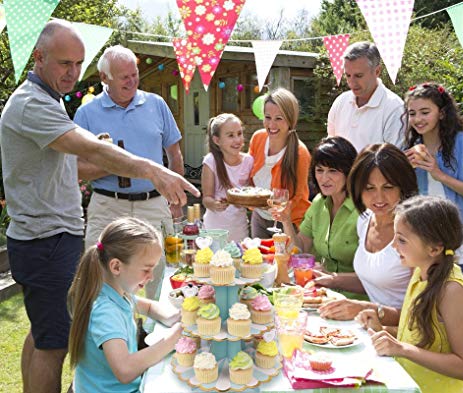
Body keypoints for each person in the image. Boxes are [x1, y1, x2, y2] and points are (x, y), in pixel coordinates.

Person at [0, 20, 198, 393]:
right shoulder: (32, 103)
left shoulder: (49, 98)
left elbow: (75, 163)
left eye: (78, 63)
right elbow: (89, 150)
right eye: (64, 64)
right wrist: (153, 169)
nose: (74, 73)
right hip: (47, 239)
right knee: (54, 344)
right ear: (39, 57)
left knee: (43, 331)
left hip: (44, 236)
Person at [74, 44, 185, 300]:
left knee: (160, 271)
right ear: (105, 78)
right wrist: (113, 163)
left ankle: (151, 332)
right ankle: (107, 332)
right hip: (107, 206)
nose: (132, 80)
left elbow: (174, 154)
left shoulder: (156, 104)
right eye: (124, 76)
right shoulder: (86, 114)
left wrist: (175, 199)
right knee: (98, 272)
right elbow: (74, 168)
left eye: (134, 73)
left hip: (153, 204)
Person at [403, 82, 463, 393]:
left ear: (441, 112)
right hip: (429, 245)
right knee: (428, 310)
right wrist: (404, 168)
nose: (418, 119)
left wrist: (438, 173)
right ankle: (430, 370)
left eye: (425, 112)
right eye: (412, 113)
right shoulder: (410, 151)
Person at [358, 196, 463, 393]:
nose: (394, 246)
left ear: (434, 248)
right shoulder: (419, 274)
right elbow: (416, 337)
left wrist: (402, 349)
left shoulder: (451, 290)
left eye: (402, 240)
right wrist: (381, 329)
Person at [68, 217, 182, 392]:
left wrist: (178, 317)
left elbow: (150, 308)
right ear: (116, 267)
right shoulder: (105, 311)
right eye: (146, 269)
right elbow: (125, 370)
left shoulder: (118, 294)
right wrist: (174, 338)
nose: (151, 276)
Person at [315, 144, 417, 325]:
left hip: (404, 340)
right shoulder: (365, 219)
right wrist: (331, 279)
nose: (379, 197)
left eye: (388, 187)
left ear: (403, 187)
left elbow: (423, 317)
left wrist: (365, 308)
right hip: (370, 328)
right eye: (369, 188)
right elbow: (375, 279)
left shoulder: (416, 232)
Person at [270, 136, 359, 275]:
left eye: (333, 171)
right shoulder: (318, 202)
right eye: (320, 170)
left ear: (349, 172)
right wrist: (286, 220)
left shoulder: (363, 209)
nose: (324, 178)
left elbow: (374, 276)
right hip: (322, 289)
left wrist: (330, 277)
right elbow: (301, 248)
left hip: (354, 295)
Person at [248, 88, 311, 238]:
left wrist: (278, 210)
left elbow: (297, 196)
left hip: (288, 222)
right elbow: (249, 177)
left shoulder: (300, 153)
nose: (272, 124)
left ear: (290, 120)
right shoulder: (258, 138)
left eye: (279, 118)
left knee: (283, 261)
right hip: (259, 218)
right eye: (268, 117)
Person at [327, 41, 404, 152]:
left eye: (358, 76)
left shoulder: (394, 108)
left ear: (377, 71)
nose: (352, 82)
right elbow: (330, 147)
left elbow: (393, 162)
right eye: (348, 75)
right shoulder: (341, 101)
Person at [201, 113, 254, 242]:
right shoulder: (211, 161)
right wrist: (214, 204)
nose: (237, 140)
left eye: (239, 134)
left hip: (239, 228)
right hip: (214, 230)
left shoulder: (249, 161)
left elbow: (252, 193)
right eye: (230, 135)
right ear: (217, 140)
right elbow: (206, 199)